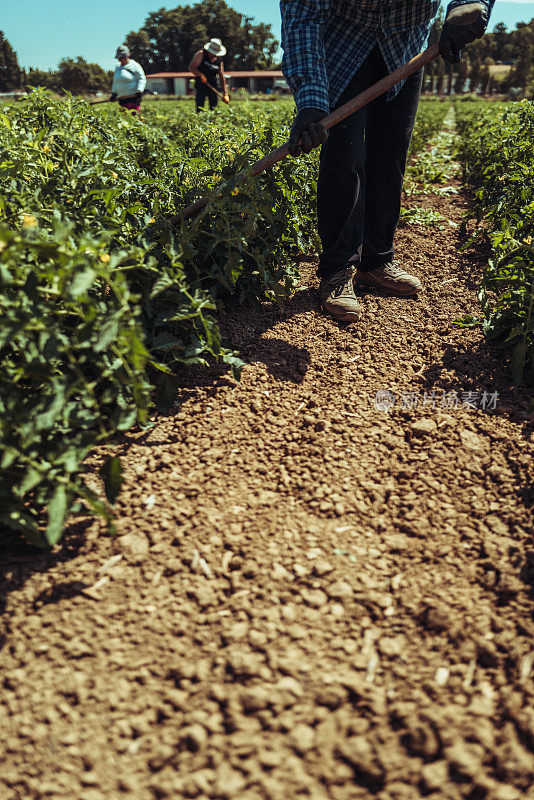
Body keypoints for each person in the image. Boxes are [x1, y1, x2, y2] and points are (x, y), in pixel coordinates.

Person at [280, 1, 494, 323]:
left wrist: (470, 4)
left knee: (390, 154)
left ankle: (375, 260)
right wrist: (311, 101)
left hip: (405, 44)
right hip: (343, 42)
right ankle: (338, 268)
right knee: (345, 154)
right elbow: (302, 16)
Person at [189, 38, 229, 113]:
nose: (215, 55)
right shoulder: (201, 54)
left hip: (213, 86)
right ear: (209, 51)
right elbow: (191, 67)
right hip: (201, 85)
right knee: (200, 108)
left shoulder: (219, 60)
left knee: (214, 108)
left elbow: (222, 77)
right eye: (214, 53)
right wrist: (200, 75)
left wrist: (225, 94)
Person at [110, 45, 146, 114]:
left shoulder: (134, 65)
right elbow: (115, 81)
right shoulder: (118, 66)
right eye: (119, 58)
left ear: (126, 56)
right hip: (122, 99)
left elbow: (142, 78)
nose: (120, 60)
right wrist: (114, 93)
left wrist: (139, 90)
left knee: (134, 118)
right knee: (124, 119)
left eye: (121, 57)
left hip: (133, 98)